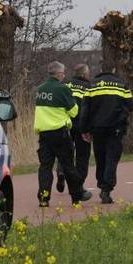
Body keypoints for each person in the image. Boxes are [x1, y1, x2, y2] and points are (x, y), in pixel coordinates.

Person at [35, 61, 91, 206]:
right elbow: (74, 111)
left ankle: (43, 199)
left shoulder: (40, 89)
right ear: (58, 74)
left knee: (45, 167)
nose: (64, 75)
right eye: (63, 73)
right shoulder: (62, 89)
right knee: (68, 165)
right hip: (59, 133)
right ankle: (77, 196)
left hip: (43, 134)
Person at [86, 66, 133, 204]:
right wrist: (121, 113)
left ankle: (101, 183)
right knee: (112, 159)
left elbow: (85, 108)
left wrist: (85, 129)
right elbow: (131, 105)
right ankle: (106, 190)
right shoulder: (121, 84)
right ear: (113, 70)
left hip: (97, 128)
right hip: (116, 128)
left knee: (100, 158)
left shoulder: (92, 85)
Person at [57, 63, 93, 195]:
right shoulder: (89, 87)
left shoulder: (66, 85)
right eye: (88, 72)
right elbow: (91, 108)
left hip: (65, 125)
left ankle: (61, 171)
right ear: (84, 74)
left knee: (65, 152)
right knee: (82, 157)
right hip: (82, 127)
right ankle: (78, 186)